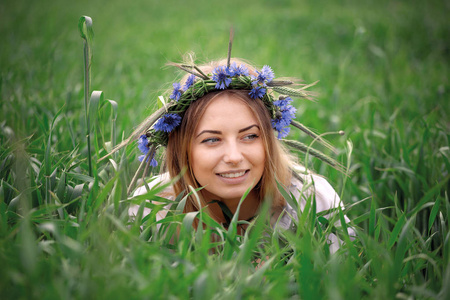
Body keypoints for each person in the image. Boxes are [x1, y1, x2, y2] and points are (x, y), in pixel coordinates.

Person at [123, 54, 352, 252]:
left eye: (250, 136)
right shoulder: (152, 209)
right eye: (212, 139)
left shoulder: (312, 200)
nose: (233, 156)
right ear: (181, 150)